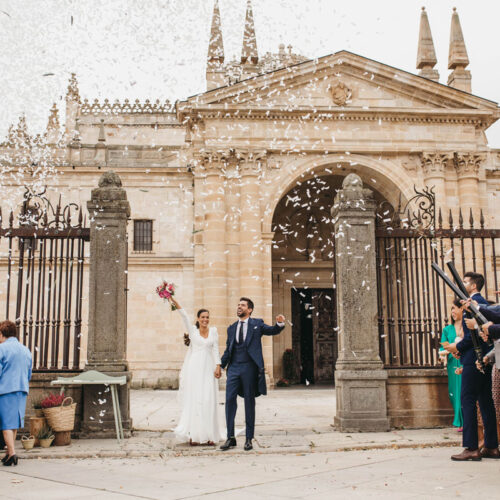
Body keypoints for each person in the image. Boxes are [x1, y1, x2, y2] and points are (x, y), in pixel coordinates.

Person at [444, 272, 499, 460]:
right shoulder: (479, 303)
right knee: (486, 402)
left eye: (466, 282)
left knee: (467, 400)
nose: (463, 284)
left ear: (473, 286)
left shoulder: (473, 305)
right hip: (484, 359)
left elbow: (471, 336)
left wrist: (456, 347)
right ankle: (491, 446)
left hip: (474, 359)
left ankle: (471, 447)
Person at [220, 297, 285, 452]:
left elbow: (272, 330)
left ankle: (249, 438)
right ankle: (231, 438)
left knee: (249, 401)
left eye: (242, 305)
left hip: (250, 368)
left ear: (249, 309)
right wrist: (220, 366)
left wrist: (280, 323)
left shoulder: (257, 324)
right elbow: (228, 350)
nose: (239, 307)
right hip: (234, 368)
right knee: (229, 400)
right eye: (238, 305)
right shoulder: (232, 327)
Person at [169, 297, 224, 445]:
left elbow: (215, 349)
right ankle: (194, 435)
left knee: (208, 399)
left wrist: (218, 366)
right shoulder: (192, 331)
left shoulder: (213, 331)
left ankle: (210, 435)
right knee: (196, 399)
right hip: (195, 368)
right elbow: (184, 315)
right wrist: (172, 298)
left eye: (207, 317)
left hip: (209, 368)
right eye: (203, 317)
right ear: (198, 319)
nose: (205, 319)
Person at [0, 320, 32, 467]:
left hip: (6, 389)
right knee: (14, 423)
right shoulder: (26, 350)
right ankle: (8, 454)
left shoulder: (2, 349)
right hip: (22, 389)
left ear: (2, 334)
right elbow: (29, 372)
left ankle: (12, 453)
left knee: (5, 423)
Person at [439, 299, 464, 430]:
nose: (453, 311)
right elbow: (442, 347)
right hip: (452, 363)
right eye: (451, 309)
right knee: (453, 392)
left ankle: (463, 421)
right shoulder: (447, 330)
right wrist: (445, 352)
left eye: (455, 308)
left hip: (465, 362)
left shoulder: (467, 326)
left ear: (462, 309)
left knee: (463, 392)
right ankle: (458, 419)